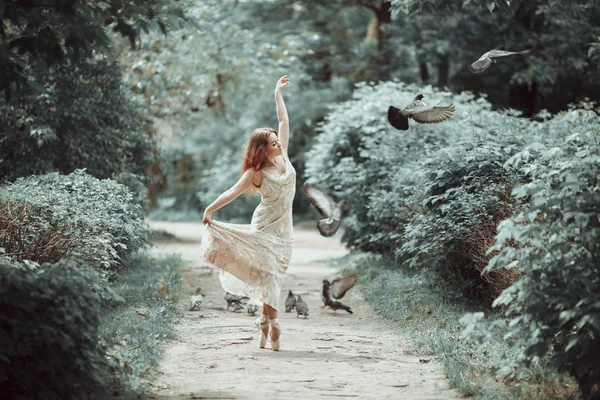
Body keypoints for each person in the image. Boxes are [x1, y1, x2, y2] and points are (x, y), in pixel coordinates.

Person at [199, 75, 294, 351]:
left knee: (274, 276)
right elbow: (231, 192)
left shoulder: (284, 157)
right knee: (269, 277)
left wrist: (277, 94)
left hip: (285, 233)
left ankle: (263, 325)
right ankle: (275, 327)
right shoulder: (255, 174)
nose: (278, 144)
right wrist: (209, 209)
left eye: (278, 141)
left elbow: (284, 122)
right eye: (273, 143)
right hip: (264, 229)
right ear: (261, 149)